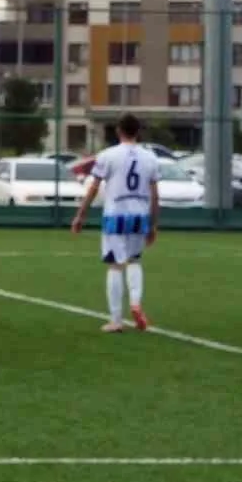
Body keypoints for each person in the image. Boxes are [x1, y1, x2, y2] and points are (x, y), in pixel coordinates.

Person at [70, 113, 160, 333]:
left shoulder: (107, 155)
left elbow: (93, 187)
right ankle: (136, 303)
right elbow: (155, 195)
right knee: (135, 260)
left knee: (115, 265)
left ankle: (116, 320)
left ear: (119, 131)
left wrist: (81, 215)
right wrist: (153, 224)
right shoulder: (150, 158)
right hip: (139, 215)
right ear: (138, 132)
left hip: (116, 215)